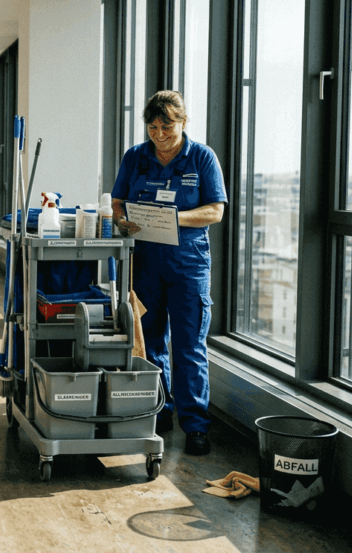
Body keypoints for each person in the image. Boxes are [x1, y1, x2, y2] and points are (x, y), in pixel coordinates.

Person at [111, 90, 227, 456]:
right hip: (145, 260)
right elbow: (117, 201)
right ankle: (158, 410)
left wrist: (173, 218)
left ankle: (195, 425)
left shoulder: (202, 158)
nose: (159, 134)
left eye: (167, 126)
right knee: (151, 340)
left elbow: (215, 211)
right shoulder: (135, 157)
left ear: (183, 122)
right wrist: (121, 220)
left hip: (188, 264)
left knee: (189, 344)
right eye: (153, 126)